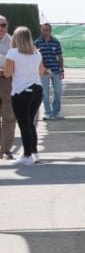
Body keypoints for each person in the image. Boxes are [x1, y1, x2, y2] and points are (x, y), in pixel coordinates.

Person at [3, 27, 44, 167]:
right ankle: (34, 153)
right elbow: (41, 71)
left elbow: (8, 74)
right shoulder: (37, 53)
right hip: (37, 89)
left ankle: (27, 155)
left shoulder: (12, 52)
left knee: (24, 124)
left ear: (15, 38)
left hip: (21, 91)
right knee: (30, 122)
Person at [34, 23, 64, 120]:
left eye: (47, 30)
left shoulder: (56, 42)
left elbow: (60, 57)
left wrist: (62, 69)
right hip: (43, 72)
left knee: (58, 92)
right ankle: (47, 112)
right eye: (43, 30)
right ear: (41, 31)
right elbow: (35, 58)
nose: (45, 32)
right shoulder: (37, 43)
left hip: (55, 70)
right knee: (45, 93)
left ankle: (56, 112)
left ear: (50, 31)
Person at [0, 15, 17, 159]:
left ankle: (6, 149)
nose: (1, 28)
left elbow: (16, 61)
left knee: (8, 115)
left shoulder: (12, 41)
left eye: (3, 25)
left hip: (7, 80)